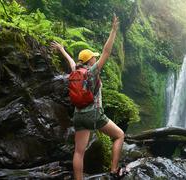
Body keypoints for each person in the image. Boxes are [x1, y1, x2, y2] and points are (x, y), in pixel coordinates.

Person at [51, 15, 126, 180]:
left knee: (79, 152)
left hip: (78, 115)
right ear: (90, 60)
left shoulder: (75, 71)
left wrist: (62, 49)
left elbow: (71, 61)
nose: (95, 57)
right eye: (93, 56)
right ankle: (114, 170)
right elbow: (107, 51)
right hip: (94, 113)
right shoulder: (92, 72)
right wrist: (113, 30)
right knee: (119, 135)